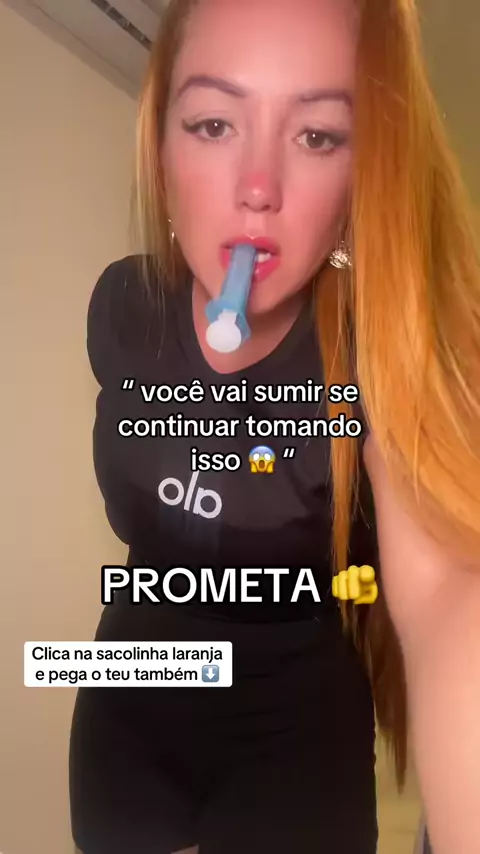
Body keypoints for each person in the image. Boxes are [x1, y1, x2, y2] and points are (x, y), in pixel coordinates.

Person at [69, 0, 480, 853]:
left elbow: (451, 587)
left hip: (298, 721)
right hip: (132, 683)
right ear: (162, 147)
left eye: (317, 136)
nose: (258, 188)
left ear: (360, 180)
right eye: (214, 124)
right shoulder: (121, 308)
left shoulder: (372, 357)